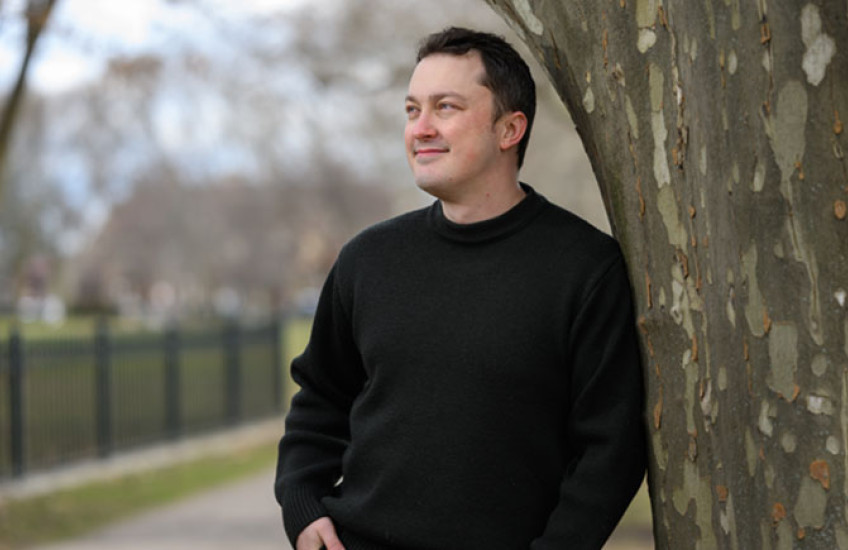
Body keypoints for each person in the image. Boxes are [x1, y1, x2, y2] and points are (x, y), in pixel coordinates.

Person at [274, 26, 646, 550]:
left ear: (509, 129)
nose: (420, 128)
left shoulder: (585, 268)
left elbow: (611, 450)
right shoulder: (368, 260)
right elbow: (320, 397)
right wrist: (303, 503)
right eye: (411, 110)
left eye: (445, 107)